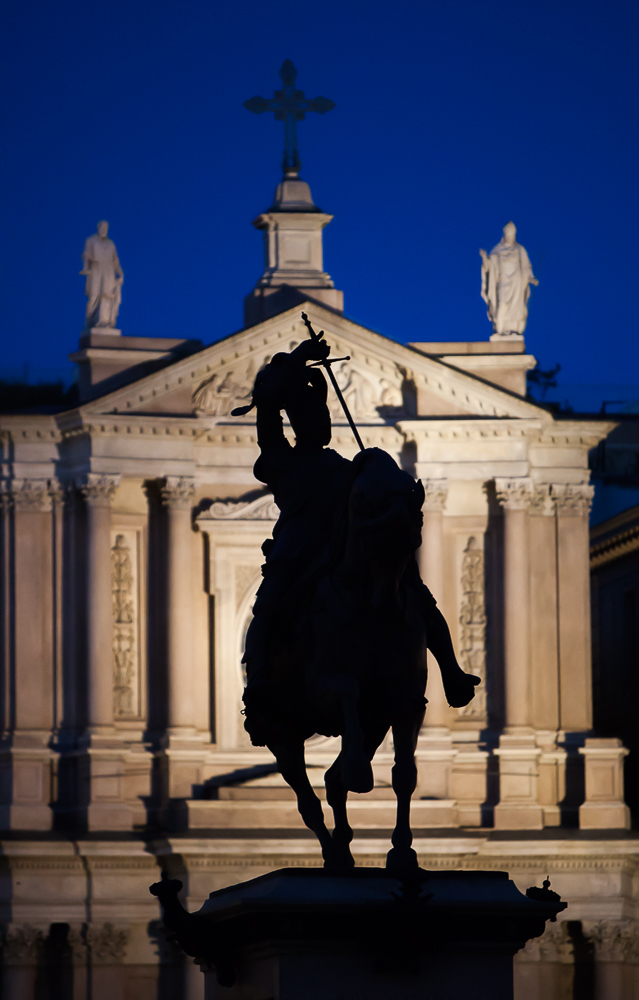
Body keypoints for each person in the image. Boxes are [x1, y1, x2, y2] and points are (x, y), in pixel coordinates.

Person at [480, 221, 538, 337]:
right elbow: (490, 267)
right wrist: (485, 259)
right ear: (505, 234)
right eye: (508, 234)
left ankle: (514, 331)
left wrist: (531, 278)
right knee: (502, 306)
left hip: (516, 283)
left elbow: (526, 266)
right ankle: (500, 330)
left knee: (516, 309)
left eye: (512, 234)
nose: (510, 236)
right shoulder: (497, 250)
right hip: (503, 282)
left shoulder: (519, 249)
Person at [80, 220, 124, 329]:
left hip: (109, 271)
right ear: (98, 228)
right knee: (94, 296)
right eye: (102, 228)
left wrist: (120, 273)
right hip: (96, 269)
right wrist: (86, 267)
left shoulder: (110, 244)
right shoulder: (91, 240)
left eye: (106, 228)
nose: (104, 230)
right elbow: (86, 255)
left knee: (107, 295)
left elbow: (115, 261)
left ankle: (104, 321)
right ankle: (90, 320)